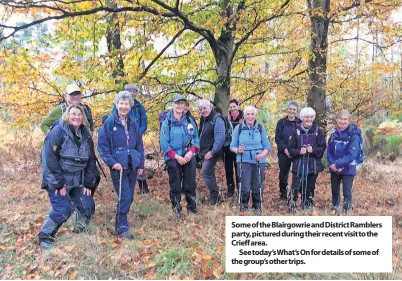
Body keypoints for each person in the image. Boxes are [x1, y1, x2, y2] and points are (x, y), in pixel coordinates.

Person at [38, 105, 99, 249]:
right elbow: (49, 160)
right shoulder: (58, 132)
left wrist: (89, 183)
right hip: (57, 181)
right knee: (63, 210)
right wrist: (58, 184)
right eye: (73, 114)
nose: (76, 117)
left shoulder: (85, 135)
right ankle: (45, 235)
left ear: (83, 117)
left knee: (88, 206)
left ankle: (81, 227)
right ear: (67, 115)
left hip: (77, 181)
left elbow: (91, 161)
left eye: (79, 114)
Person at [98, 91, 145, 239]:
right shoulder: (109, 122)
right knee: (125, 197)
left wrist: (141, 164)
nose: (124, 106)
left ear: (130, 106)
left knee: (129, 197)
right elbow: (102, 147)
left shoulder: (133, 123)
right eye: (121, 103)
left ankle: (120, 218)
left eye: (127, 104)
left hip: (132, 164)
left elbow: (139, 145)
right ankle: (121, 226)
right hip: (118, 166)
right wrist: (113, 163)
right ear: (117, 104)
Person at [160, 95, 200, 219]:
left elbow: (195, 139)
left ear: (184, 106)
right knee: (175, 185)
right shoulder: (167, 122)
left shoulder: (189, 121)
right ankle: (176, 209)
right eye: (177, 103)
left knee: (190, 183)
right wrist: (176, 157)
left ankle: (192, 208)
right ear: (172, 104)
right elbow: (164, 143)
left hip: (188, 156)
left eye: (182, 103)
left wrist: (190, 152)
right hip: (173, 158)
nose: (179, 106)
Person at [230, 106, 271, 214]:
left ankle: (257, 206)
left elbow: (267, 146)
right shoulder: (238, 129)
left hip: (259, 161)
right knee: (244, 185)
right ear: (244, 115)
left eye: (252, 114)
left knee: (257, 185)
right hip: (243, 160)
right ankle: (244, 205)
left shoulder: (261, 128)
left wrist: (262, 155)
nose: (250, 116)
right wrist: (238, 150)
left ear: (255, 115)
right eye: (248, 114)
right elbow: (232, 146)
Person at [287, 107, 326, 213]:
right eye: (306, 117)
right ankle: (292, 206)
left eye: (311, 117)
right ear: (302, 118)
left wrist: (312, 150)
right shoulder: (296, 131)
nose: (309, 119)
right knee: (295, 186)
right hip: (299, 164)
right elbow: (290, 149)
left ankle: (307, 207)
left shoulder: (318, 131)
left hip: (313, 165)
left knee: (310, 187)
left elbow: (322, 148)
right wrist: (299, 151)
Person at [113, 84, 149, 194]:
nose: (132, 93)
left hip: (136, 138)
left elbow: (144, 122)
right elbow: (114, 120)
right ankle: (124, 186)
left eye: (134, 91)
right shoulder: (117, 106)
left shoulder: (139, 107)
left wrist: (137, 133)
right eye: (130, 91)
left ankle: (143, 187)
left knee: (138, 159)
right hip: (121, 138)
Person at [327, 110, 362, 215]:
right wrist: (333, 164)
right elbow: (329, 152)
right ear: (337, 120)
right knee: (335, 189)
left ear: (349, 120)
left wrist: (338, 164)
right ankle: (335, 207)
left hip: (348, 167)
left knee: (347, 190)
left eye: (345, 119)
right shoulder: (333, 135)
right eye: (341, 119)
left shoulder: (354, 135)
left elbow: (352, 155)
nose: (343, 121)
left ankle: (346, 211)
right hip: (334, 167)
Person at [197, 99, 225, 205]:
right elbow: (201, 135)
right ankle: (215, 198)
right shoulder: (204, 119)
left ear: (210, 107)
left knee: (205, 172)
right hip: (204, 151)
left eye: (204, 108)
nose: (203, 111)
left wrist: (212, 152)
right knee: (210, 173)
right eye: (200, 109)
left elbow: (220, 139)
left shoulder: (217, 119)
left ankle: (214, 197)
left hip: (212, 152)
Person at [275, 100, 301, 200]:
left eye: (294, 109)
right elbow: (277, 138)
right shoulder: (281, 122)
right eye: (290, 109)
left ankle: (294, 194)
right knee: (283, 174)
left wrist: (295, 150)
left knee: (297, 174)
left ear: (297, 111)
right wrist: (285, 149)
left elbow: (302, 138)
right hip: (283, 153)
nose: (292, 111)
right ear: (287, 109)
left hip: (296, 153)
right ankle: (283, 194)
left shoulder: (300, 123)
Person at [223, 99, 244, 198]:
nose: (232, 109)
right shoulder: (226, 119)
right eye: (230, 107)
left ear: (238, 107)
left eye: (234, 106)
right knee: (228, 170)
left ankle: (240, 190)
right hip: (228, 149)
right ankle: (230, 190)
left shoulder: (244, 117)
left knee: (239, 170)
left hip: (239, 149)